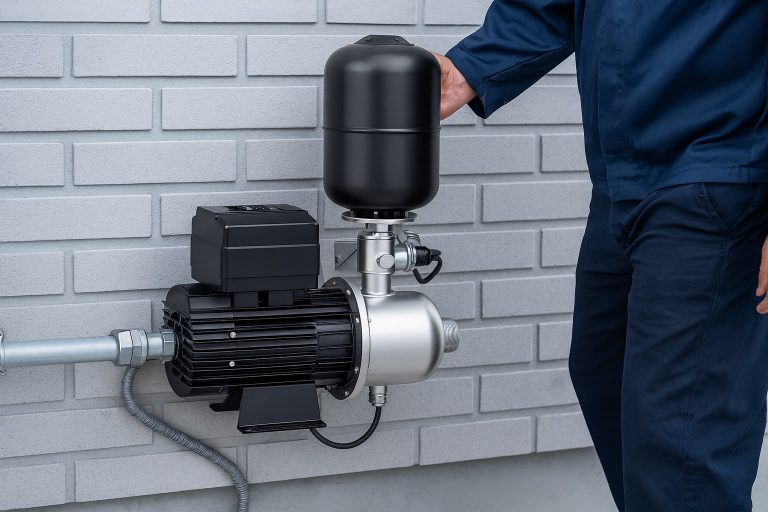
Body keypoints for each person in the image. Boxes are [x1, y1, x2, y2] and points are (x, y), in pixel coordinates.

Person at [435, 1, 768, 510]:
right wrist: (470, 69)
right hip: (623, 175)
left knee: (678, 427)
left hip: (719, 168)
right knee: (603, 374)